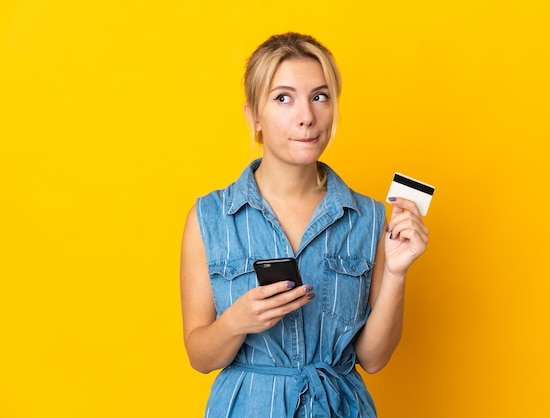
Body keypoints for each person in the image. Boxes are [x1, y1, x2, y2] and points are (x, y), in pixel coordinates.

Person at [180, 32, 429, 417]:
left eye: (320, 96)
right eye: (283, 97)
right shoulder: (210, 217)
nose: (307, 116)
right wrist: (236, 322)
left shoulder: (370, 218)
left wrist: (396, 272)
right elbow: (199, 356)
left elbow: (374, 358)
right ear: (254, 116)